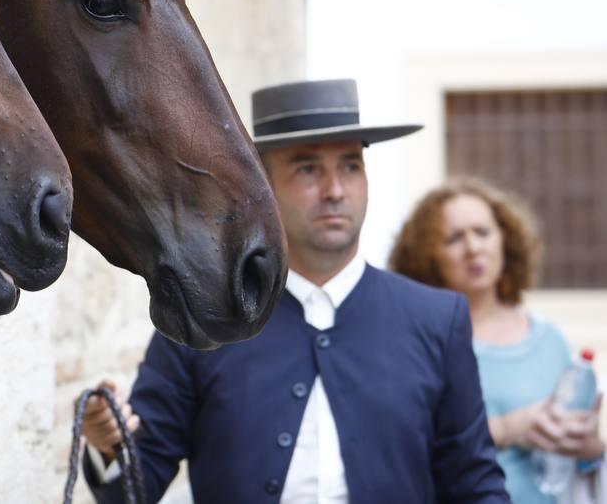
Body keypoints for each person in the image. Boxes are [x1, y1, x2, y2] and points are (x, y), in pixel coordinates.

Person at [81, 78, 510, 503]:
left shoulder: (436, 318)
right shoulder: (208, 320)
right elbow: (134, 487)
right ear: (262, 185)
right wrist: (108, 446)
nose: (335, 191)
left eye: (350, 166)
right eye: (308, 169)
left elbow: (473, 484)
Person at [390, 177, 604, 503]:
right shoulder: (415, 342)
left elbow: (577, 463)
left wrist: (589, 446)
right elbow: (399, 444)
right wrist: (508, 429)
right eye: (454, 238)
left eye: (482, 232)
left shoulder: (548, 339)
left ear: (505, 240)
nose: (474, 248)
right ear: (426, 255)